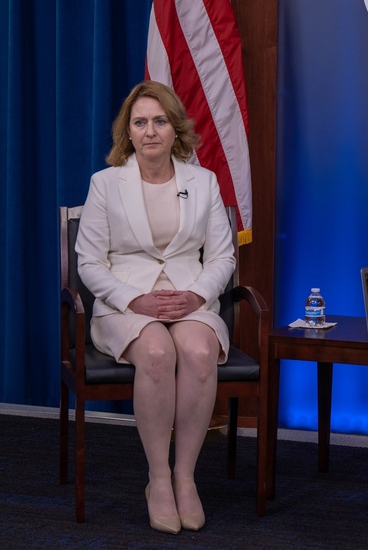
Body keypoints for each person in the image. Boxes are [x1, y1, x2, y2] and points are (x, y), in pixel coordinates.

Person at [75, 80, 235, 535]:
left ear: (175, 128)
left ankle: (185, 476)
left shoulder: (203, 182)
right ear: (128, 131)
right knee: (158, 353)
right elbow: (89, 262)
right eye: (140, 122)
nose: (150, 131)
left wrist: (197, 296)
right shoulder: (105, 184)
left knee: (201, 353)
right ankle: (158, 479)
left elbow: (222, 257)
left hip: (188, 296)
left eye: (159, 121)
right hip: (122, 302)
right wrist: (134, 299)